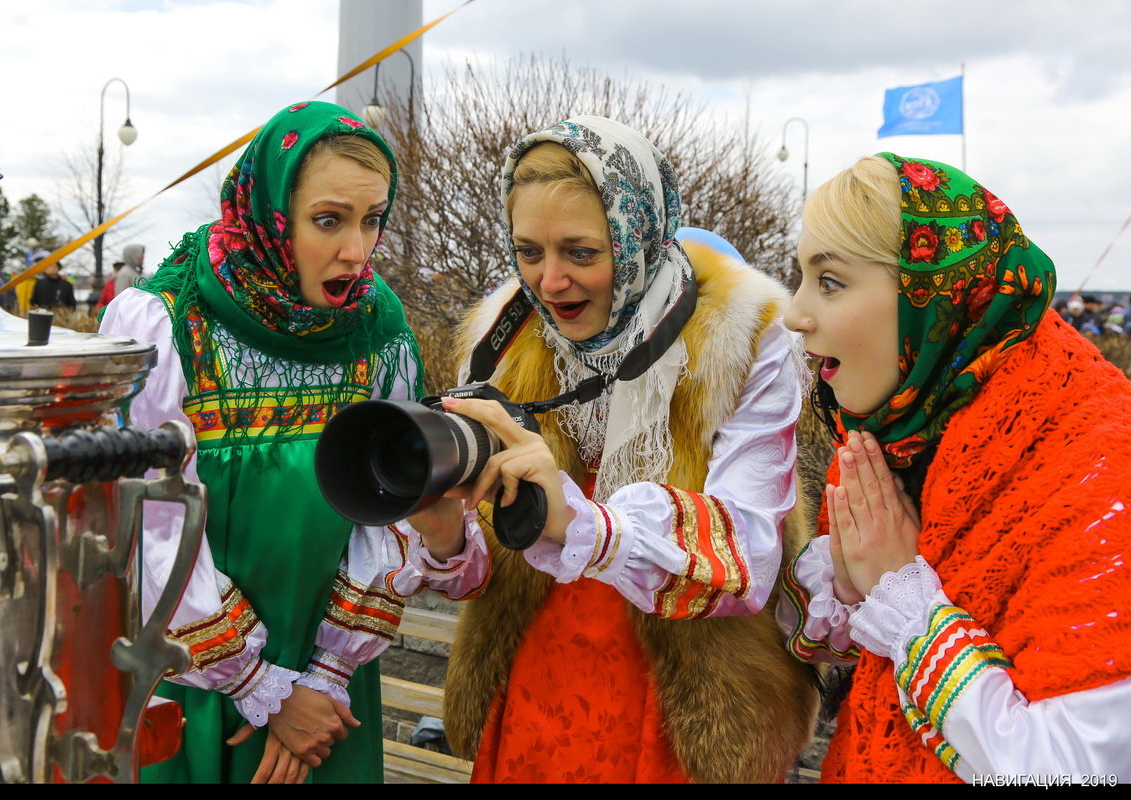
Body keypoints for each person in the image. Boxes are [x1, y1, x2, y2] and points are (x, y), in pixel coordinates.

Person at [395, 116, 819, 783]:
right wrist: (448, 535)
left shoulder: (743, 336)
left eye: (581, 252)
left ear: (638, 235)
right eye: (528, 251)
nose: (550, 280)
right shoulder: (503, 337)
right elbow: (488, 571)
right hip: (538, 680)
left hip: (688, 698)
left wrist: (579, 520)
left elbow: (748, 555)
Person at [778, 153, 1131, 783]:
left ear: (931, 295)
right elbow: (850, 649)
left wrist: (903, 600)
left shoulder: (1110, 471)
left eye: (830, 282)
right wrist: (855, 590)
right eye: (799, 277)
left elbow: (1072, 768)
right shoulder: (902, 426)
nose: (793, 313)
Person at [99, 101, 424, 784]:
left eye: (373, 220)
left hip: (329, 687)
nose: (357, 251)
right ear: (269, 211)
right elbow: (143, 524)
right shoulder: (165, 323)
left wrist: (325, 676)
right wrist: (258, 687)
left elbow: (392, 504)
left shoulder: (378, 330)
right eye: (328, 220)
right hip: (192, 675)